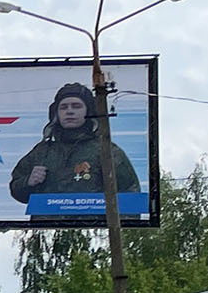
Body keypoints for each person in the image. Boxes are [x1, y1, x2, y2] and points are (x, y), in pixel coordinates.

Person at [8, 81, 141, 205]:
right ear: (56, 113)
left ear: (88, 111)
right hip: (47, 221)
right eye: (63, 107)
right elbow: (16, 190)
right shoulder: (42, 151)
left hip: (94, 222)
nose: (69, 111)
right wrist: (28, 182)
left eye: (76, 106)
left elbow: (131, 195)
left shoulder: (106, 150)